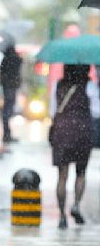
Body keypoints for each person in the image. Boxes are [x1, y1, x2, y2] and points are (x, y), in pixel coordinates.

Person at [49, 65, 98, 229]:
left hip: (62, 131)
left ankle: (62, 215)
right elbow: (97, 111)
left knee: (62, 175)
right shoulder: (90, 86)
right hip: (82, 131)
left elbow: (52, 110)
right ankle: (76, 204)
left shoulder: (58, 84)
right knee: (81, 172)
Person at [0, 45, 22, 143]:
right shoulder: (16, 59)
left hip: (6, 87)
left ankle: (6, 133)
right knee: (8, 110)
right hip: (12, 87)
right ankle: (7, 134)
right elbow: (20, 62)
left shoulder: (4, 60)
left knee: (6, 110)